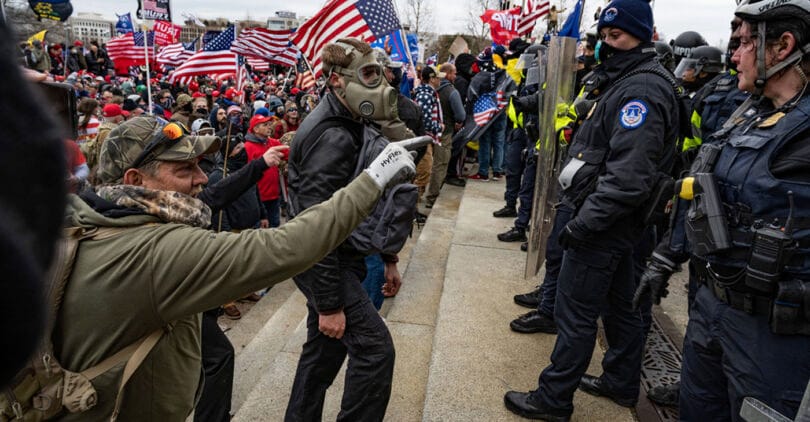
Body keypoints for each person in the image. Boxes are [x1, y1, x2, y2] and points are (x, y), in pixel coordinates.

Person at [7, 113, 414, 420]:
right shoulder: (157, 252)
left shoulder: (77, 223)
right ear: (135, 178)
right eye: (184, 169)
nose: (202, 178)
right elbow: (288, 247)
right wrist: (373, 179)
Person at [504, 0, 681, 419]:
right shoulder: (629, 79)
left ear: (642, 36)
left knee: (576, 314)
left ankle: (553, 399)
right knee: (621, 307)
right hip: (617, 221)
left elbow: (628, 176)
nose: (606, 44)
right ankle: (621, 381)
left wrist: (583, 225)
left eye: (616, 36)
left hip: (606, 223)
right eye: (603, 36)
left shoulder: (642, 89)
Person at [658, 1, 810, 419]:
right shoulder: (747, 115)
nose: (735, 55)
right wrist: (667, 255)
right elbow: (702, 190)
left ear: (783, 46)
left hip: (773, 335)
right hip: (713, 308)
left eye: (745, 43)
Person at [285, 38, 401, 421]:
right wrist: (330, 304)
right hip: (323, 261)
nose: (379, 84)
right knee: (375, 350)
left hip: (337, 255)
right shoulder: (333, 135)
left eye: (379, 74)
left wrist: (388, 257)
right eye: (368, 74)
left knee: (322, 355)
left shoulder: (351, 119)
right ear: (336, 79)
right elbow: (314, 227)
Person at [425, 63, 465, 209]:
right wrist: (457, 121)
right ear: (447, 74)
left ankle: (421, 193)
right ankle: (432, 197)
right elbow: (461, 115)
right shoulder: (452, 92)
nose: (455, 76)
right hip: (444, 133)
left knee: (425, 164)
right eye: (454, 73)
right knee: (440, 165)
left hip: (426, 132)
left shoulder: (428, 90)